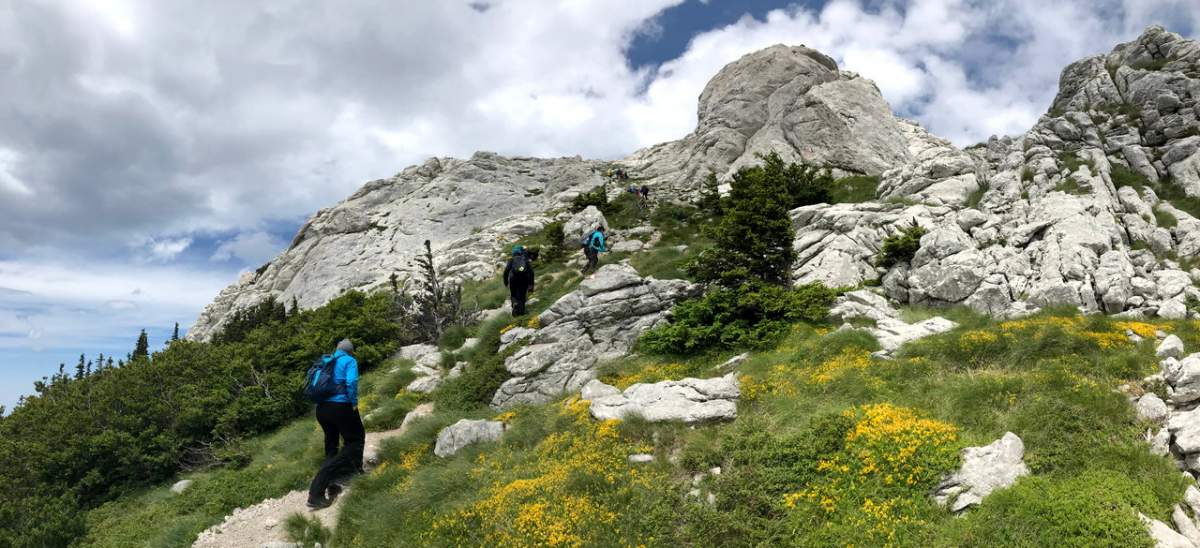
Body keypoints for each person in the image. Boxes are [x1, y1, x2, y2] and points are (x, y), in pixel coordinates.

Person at [307, 339, 364, 509]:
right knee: (355, 441)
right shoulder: (349, 360)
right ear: (350, 351)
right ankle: (316, 489)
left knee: (332, 447)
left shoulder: (326, 361)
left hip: (322, 410)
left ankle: (337, 479)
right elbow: (351, 382)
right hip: (340, 407)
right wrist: (353, 402)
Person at [503, 245, 536, 316]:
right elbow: (531, 272)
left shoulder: (511, 260)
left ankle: (515, 304)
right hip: (524, 279)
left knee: (513, 294)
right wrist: (531, 284)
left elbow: (506, 271)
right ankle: (521, 313)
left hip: (513, 279)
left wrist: (506, 282)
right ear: (520, 252)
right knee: (522, 296)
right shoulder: (525, 259)